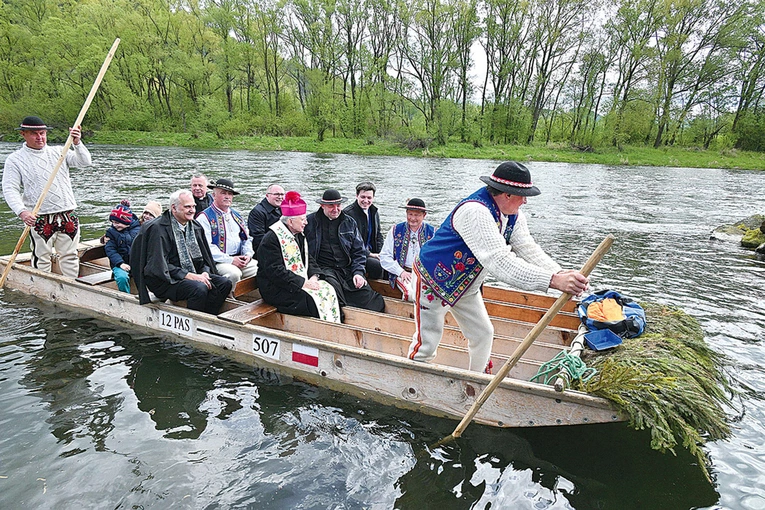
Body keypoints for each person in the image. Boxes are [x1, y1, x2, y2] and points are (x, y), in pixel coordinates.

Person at [409, 161, 589, 373]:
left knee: (483, 333)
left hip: (466, 284)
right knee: (427, 342)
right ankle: (414, 379)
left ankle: (475, 382)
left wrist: (558, 273)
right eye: (523, 196)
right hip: (434, 279)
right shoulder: (475, 212)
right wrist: (552, 281)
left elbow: (526, 248)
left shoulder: (513, 215)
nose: (525, 201)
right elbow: (500, 262)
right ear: (507, 195)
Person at [2, 116, 92, 278]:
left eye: (42, 133)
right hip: (39, 217)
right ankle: (42, 289)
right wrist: (22, 211)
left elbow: (85, 162)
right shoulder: (15, 160)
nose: (40, 137)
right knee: (41, 258)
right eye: (34, 134)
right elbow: (9, 189)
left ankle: (71, 289)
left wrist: (77, 143)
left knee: (70, 256)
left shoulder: (59, 151)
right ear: (23, 134)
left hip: (67, 214)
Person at [132, 190, 232, 314]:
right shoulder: (158, 229)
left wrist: (205, 273)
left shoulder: (195, 226)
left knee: (224, 283)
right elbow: (159, 265)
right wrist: (189, 276)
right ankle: (196, 321)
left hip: (193, 273)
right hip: (166, 280)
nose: (192, 210)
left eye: (193, 206)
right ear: (174, 208)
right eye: (187, 207)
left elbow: (203, 259)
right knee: (199, 288)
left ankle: (208, 315)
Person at [257, 191, 341, 322]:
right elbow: (275, 271)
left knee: (330, 290)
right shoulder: (272, 239)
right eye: (302, 219)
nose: (306, 222)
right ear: (290, 221)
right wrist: (303, 283)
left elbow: (308, 258)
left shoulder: (298, 234)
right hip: (276, 288)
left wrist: (314, 277)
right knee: (310, 300)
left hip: (295, 281)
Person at [304, 189, 385, 314]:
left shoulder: (349, 222)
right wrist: (314, 273)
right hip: (323, 269)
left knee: (372, 300)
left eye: (338, 205)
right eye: (331, 205)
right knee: (334, 293)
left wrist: (358, 273)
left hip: (346, 269)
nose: (335, 209)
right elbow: (304, 252)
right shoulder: (309, 222)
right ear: (322, 206)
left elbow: (358, 252)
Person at [197, 178, 258, 287]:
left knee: (260, 268)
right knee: (233, 273)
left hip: (239, 258)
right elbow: (207, 247)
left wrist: (247, 255)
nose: (227, 196)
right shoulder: (204, 217)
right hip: (217, 261)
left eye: (230, 194)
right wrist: (230, 260)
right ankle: (228, 299)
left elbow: (246, 238)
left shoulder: (236, 215)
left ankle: (253, 297)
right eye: (223, 193)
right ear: (214, 195)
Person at [380, 198, 436, 302]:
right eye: (410, 214)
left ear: (424, 215)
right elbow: (384, 257)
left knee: (431, 297)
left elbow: (438, 258)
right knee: (410, 294)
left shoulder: (433, 233)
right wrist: (401, 272)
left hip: (425, 275)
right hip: (403, 273)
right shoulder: (395, 230)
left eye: (417, 215)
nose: (413, 218)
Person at [343, 181, 385, 280]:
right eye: (363, 197)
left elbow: (378, 235)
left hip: (372, 251)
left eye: (369, 198)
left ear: (373, 198)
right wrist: (370, 254)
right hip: (356, 255)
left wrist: (381, 253)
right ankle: (376, 290)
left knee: (390, 262)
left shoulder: (373, 211)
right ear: (357, 196)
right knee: (376, 265)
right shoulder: (347, 214)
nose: (366, 200)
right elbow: (348, 243)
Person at [103, 200, 141, 293]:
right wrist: (120, 263)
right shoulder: (111, 233)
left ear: (126, 221)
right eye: (113, 222)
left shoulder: (138, 229)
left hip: (136, 263)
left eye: (118, 222)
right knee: (122, 277)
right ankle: (125, 296)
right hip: (119, 264)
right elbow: (111, 251)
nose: (115, 225)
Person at [248, 184, 285, 251]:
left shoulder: (284, 209)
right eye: (276, 194)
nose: (280, 197)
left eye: (282, 194)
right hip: (264, 250)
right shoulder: (257, 212)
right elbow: (257, 238)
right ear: (267, 196)